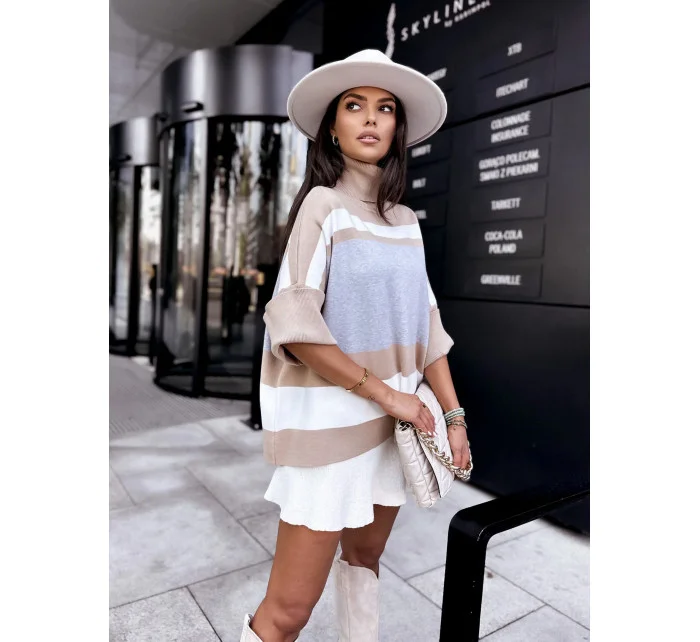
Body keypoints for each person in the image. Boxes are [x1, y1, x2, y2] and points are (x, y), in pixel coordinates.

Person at [240, 49, 471, 642]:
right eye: (354, 105)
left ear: (396, 129)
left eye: (385, 108)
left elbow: (427, 327)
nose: (370, 117)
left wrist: (453, 417)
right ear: (333, 129)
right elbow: (295, 327)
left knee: (365, 562)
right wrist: (387, 396)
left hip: (394, 431)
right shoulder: (324, 207)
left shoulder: (406, 221)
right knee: (289, 611)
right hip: (333, 433)